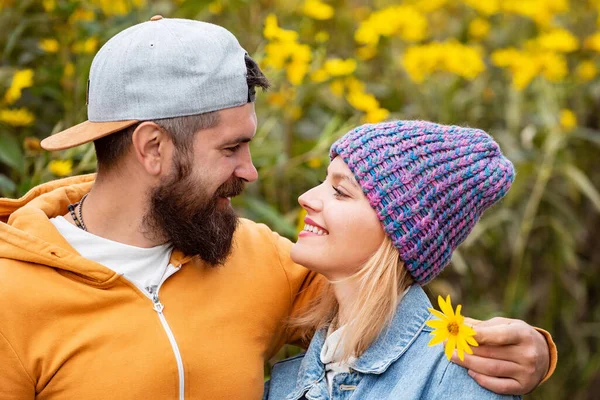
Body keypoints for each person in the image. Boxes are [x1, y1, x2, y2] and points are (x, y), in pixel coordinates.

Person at [0, 17, 555, 400]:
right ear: (153, 149)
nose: (251, 171)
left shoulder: (259, 257)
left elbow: (383, 298)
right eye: (230, 148)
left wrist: (533, 352)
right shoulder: (13, 297)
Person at [264, 120, 529, 399]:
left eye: (340, 191)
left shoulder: (460, 379)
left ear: (400, 234)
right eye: (323, 182)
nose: (306, 198)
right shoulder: (288, 380)